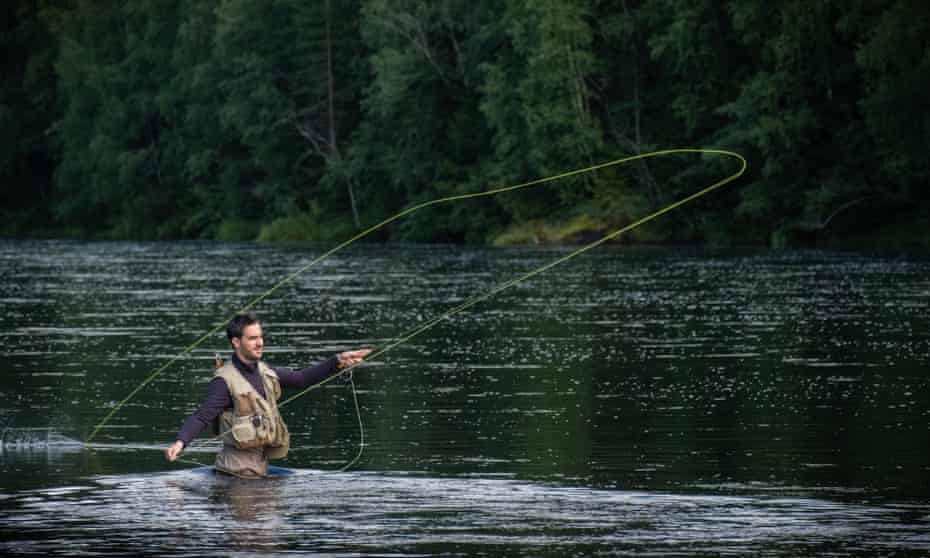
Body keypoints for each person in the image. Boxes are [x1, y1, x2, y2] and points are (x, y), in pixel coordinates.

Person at [165, 312, 371, 478]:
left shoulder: (266, 371)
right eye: (253, 338)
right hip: (234, 475)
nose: (260, 343)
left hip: (257, 471)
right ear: (236, 342)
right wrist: (180, 442)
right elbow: (203, 415)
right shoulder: (224, 381)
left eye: (261, 337)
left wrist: (337, 360)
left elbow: (301, 379)